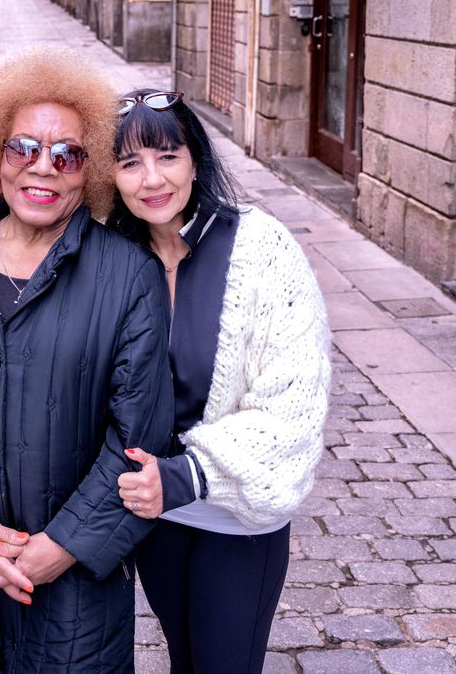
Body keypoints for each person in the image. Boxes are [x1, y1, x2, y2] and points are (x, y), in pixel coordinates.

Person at [0, 49, 174, 673]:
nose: (43, 167)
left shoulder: (129, 279)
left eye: (67, 154)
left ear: (90, 170)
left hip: (73, 591)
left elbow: (139, 434)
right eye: (23, 147)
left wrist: (61, 547)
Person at [111, 89, 331, 674]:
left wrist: (186, 475)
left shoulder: (261, 248)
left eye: (167, 156)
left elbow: (294, 408)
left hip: (237, 517)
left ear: (195, 160)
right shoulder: (110, 256)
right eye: (129, 163)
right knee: (184, 658)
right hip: (156, 519)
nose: (151, 179)